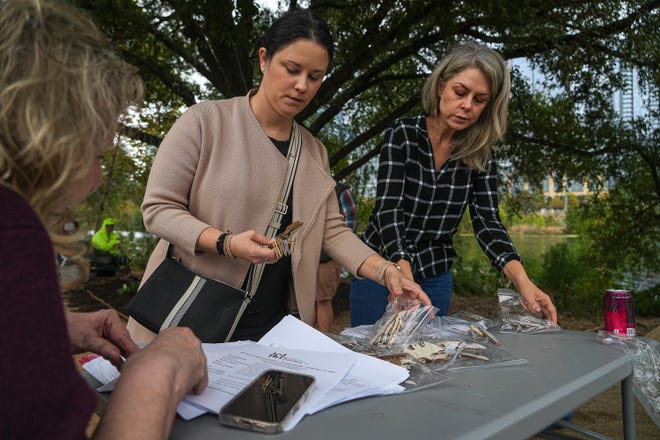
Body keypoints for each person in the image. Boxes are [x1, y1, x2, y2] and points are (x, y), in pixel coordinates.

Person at [127, 8, 431, 344]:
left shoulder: (314, 151)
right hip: (189, 317)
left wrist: (387, 271)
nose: (302, 85)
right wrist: (225, 243)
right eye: (292, 69)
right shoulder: (205, 122)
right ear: (263, 59)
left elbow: (332, 231)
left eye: (315, 77)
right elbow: (159, 210)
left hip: (271, 327)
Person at [0, 1, 208, 438]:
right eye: (95, 153)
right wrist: (160, 370)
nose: (97, 179)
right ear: (40, 135)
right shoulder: (12, 230)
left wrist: (45, 326)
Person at [349, 41, 558, 326]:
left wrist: (524, 282)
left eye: (479, 100)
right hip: (381, 270)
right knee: (372, 359)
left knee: (427, 362)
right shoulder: (403, 134)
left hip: (435, 276)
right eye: (460, 92)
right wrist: (403, 279)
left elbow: (488, 223)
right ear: (440, 87)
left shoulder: (481, 154)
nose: (467, 106)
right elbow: (388, 211)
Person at [315, 182, 357, 332]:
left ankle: (323, 339)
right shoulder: (304, 187)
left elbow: (349, 224)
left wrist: (330, 249)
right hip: (304, 257)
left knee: (323, 300)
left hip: (327, 257)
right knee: (303, 303)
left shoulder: (339, 190)